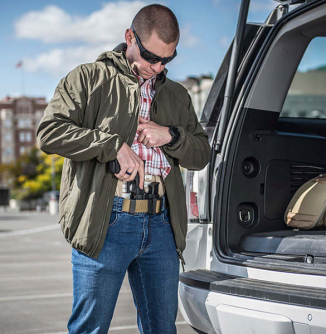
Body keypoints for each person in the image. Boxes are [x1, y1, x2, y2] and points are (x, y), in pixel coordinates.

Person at [37, 4, 210, 333]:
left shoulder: (177, 95)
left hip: (161, 225)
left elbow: (200, 154)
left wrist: (170, 135)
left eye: (167, 60)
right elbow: (50, 133)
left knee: (163, 329)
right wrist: (112, 145)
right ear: (130, 37)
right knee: (91, 328)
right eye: (150, 57)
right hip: (107, 221)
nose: (157, 68)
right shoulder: (88, 78)